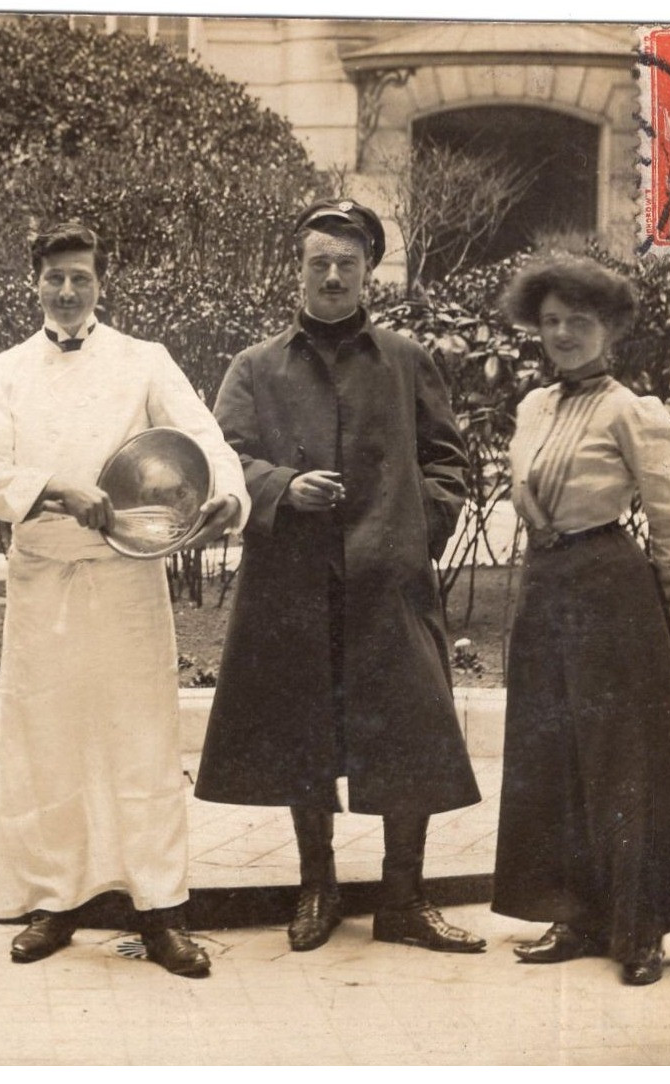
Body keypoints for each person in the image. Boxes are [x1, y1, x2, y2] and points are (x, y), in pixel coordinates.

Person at [195, 198, 485, 956]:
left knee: (409, 733)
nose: (331, 276)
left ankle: (403, 898)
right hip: (290, 582)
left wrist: (412, 526)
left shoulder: (403, 359)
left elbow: (448, 460)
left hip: (386, 582)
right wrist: (279, 489)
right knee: (301, 735)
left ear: (367, 274)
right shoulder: (255, 366)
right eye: (318, 262)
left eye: (346, 264)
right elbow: (221, 460)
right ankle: (315, 887)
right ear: (297, 269)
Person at [0, 222, 248, 977]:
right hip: (44, 574)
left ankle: (160, 910)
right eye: (53, 276)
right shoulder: (2, 371)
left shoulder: (143, 361)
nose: (65, 290)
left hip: (126, 578)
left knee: (141, 740)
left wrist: (226, 497)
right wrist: (54, 491)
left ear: (100, 282)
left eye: (79, 277)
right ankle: (54, 901)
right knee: (46, 739)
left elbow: (203, 438)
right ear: (34, 281)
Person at [491, 255, 670, 986]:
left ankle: (639, 928)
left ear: (610, 328)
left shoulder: (634, 411)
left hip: (610, 588)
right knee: (553, 753)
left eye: (579, 320)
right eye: (550, 321)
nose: (563, 334)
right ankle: (574, 914)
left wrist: (654, 598)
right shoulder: (534, 407)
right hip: (545, 587)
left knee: (622, 761)